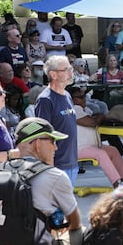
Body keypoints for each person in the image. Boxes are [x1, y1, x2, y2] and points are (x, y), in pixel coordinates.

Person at [0, 117, 83, 245]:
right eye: (52, 141)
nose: (56, 147)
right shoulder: (54, 176)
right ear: (37, 143)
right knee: (82, 233)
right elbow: (74, 222)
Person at [69, 86, 123, 188]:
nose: (83, 99)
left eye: (84, 96)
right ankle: (116, 183)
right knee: (101, 154)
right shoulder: (73, 109)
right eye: (79, 97)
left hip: (90, 145)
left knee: (113, 150)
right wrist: (100, 117)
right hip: (78, 148)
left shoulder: (85, 109)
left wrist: (98, 117)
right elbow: (92, 122)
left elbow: (93, 117)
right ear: (71, 99)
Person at [35, 56, 79, 184]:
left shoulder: (67, 95)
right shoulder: (45, 100)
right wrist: (50, 166)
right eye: (66, 70)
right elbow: (43, 136)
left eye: (70, 69)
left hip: (71, 163)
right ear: (53, 74)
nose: (71, 73)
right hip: (57, 165)